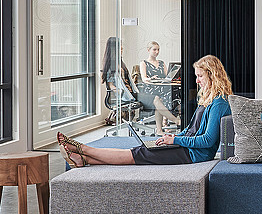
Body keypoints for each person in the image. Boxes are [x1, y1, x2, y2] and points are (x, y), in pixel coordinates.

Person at [58, 55, 232, 166]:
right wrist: (174, 138)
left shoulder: (219, 102)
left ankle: (82, 148)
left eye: (200, 76)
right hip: (187, 147)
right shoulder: (207, 99)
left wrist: (176, 140)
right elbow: (192, 130)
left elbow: (208, 141)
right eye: (196, 76)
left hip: (195, 154)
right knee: (142, 149)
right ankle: (83, 158)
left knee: (139, 154)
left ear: (213, 75)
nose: (197, 81)